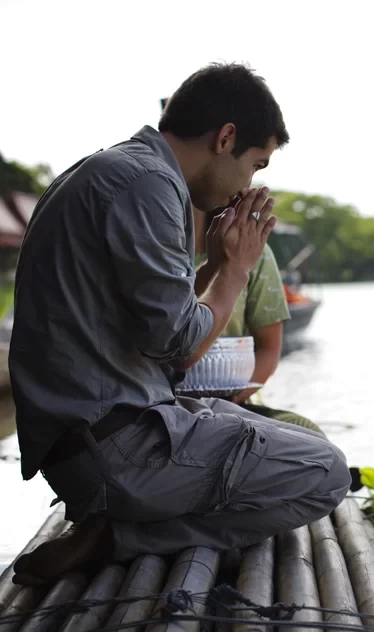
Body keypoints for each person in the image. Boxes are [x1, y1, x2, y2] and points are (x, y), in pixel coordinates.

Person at [9, 63, 351, 586]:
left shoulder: (112, 169)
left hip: (95, 441)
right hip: (114, 453)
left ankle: (113, 529)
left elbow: (148, 321)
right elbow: (177, 346)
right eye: (255, 166)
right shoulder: (148, 184)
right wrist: (237, 270)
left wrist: (214, 263)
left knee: (291, 436)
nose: (248, 185)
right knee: (324, 473)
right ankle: (121, 538)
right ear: (226, 138)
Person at [192, 206, 322, 432]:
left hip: (228, 402)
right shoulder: (153, 245)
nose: (261, 168)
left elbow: (269, 349)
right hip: (154, 400)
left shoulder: (254, 253)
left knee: (308, 433)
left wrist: (229, 401)